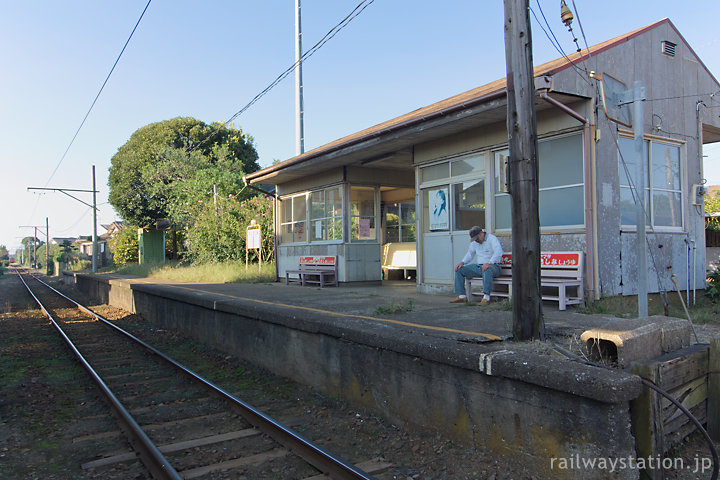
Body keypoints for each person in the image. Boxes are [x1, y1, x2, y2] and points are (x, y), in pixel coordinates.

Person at [450, 226, 503, 305]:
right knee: (459, 270)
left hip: (494, 266)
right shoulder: (475, 242)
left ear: (481, 233)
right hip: (480, 267)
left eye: (477, 238)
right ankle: (462, 296)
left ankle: (486, 297)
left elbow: (498, 252)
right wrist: (462, 262)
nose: (476, 240)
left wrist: (490, 263)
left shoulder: (492, 239)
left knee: (486, 269)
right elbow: (470, 254)